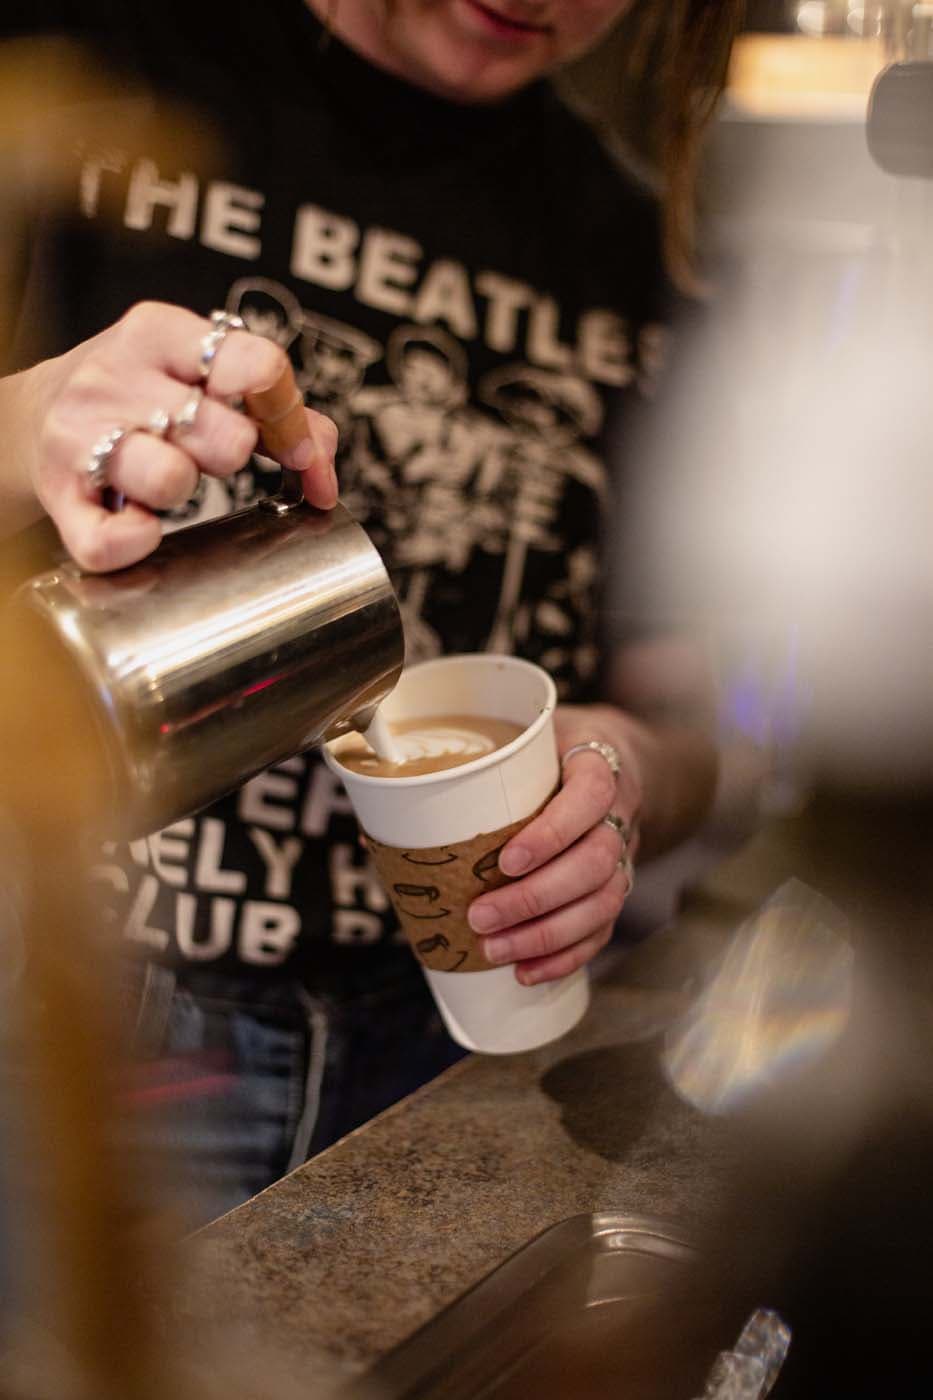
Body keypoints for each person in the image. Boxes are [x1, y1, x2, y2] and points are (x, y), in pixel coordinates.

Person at [0, 0, 741, 1225]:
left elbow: (702, 720)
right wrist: (28, 417)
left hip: (464, 1045)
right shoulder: (80, 74)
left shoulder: (634, 247)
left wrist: (629, 766)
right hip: (74, 1025)